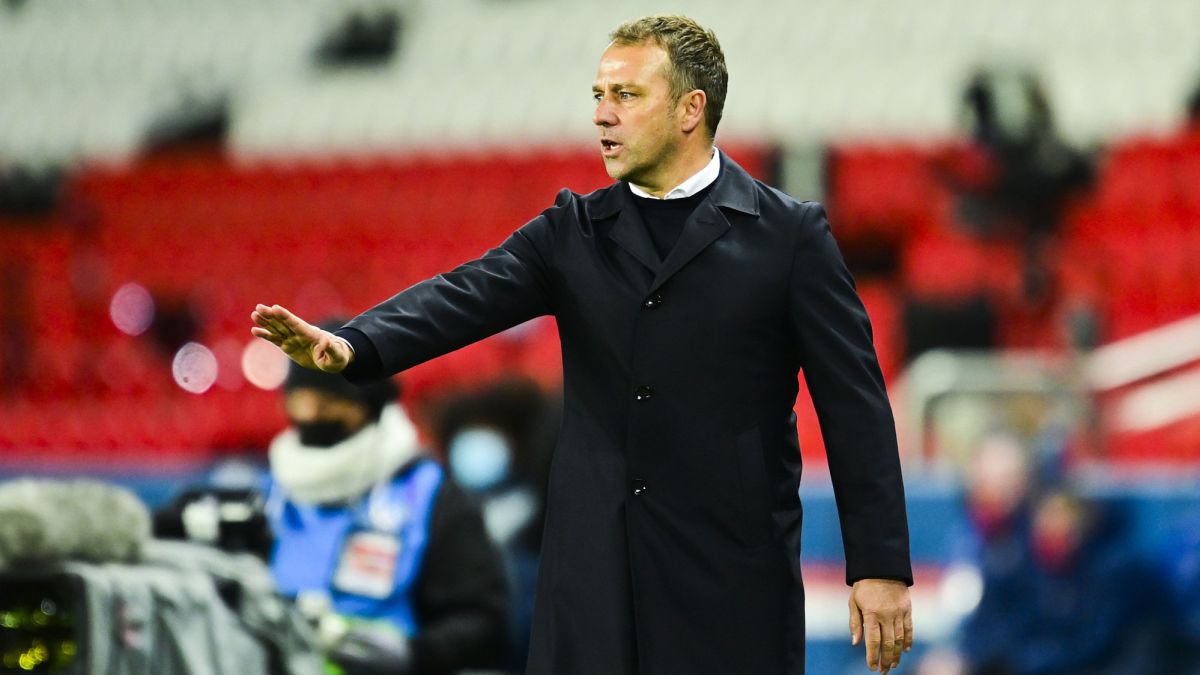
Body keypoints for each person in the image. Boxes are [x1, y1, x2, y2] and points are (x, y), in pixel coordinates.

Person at [252, 15, 912, 675]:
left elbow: (854, 405)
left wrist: (879, 565)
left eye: (626, 95)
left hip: (731, 583)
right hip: (592, 583)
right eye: (598, 95)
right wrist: (354, 345)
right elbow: (463, 294)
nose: (602, 114)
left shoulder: (789, 236)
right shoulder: (572, 232)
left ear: (690, 109)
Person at [263, 350, 510, 675]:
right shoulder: (272, 492)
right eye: (299, 402)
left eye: (327, 403)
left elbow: (484, 620)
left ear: (367, 405)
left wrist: (416, 655)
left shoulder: (431, 495)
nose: (311, 415)